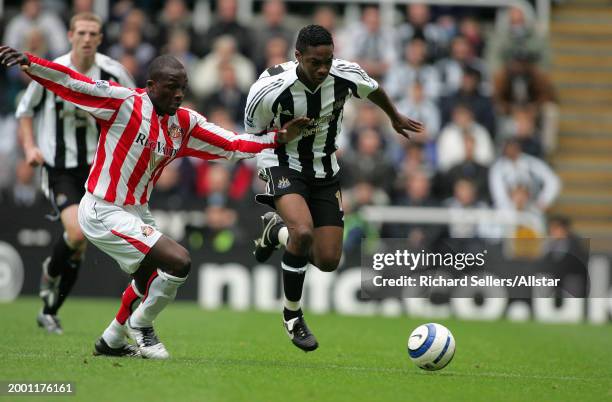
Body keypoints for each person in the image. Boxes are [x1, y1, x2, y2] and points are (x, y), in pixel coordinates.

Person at [0, 45, 307, 359]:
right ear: (151, 86)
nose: (178, 95)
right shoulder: (123, 103)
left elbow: (231, 142)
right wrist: (32, 63)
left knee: (147, 275)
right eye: (171, 87)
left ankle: (112, 339)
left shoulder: (184, 124)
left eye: (183, 89)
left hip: (136, 210)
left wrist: (278, 138)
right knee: (178, 261)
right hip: (102, 208)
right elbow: (73, 83)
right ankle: (142, 325)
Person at [245, 25, 422, 352]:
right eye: (315, 62)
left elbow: (374, 89)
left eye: (328, 59)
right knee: (303, 230)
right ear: (298, 56)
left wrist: (394, 116)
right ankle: (292, 315)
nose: (323, 68)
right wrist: (281, 137)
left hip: (324, 167)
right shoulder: (268, 88)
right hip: (282, 160)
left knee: (327, 259)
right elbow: (250, 136)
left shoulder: (345, 74)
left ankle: (276, 232)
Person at [16, 12, 135, 335]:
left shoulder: (113, 72)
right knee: (79, 233)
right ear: (70, 35)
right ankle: (50, 288)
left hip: (99, 169)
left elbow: (137, 111)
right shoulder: (52, 70)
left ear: (99, 38)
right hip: (59, 168)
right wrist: (29, 148)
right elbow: (25, 112)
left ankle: (49, 308)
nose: (86, 38)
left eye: (92, 33)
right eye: (81, 32)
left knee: (78, 244)